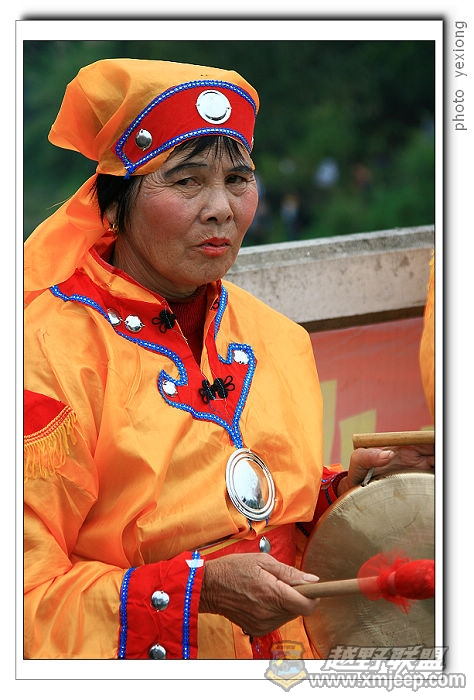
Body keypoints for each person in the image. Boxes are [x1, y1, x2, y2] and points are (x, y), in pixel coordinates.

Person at [23, 58, 435, 661]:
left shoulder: (277, 336)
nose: (221, 208)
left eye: (238, 179)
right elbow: (25, 597)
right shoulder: (45, 354)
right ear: (112, 205)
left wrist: (351, 493)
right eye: (186, 182)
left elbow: (269, 519)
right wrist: (197, 591)